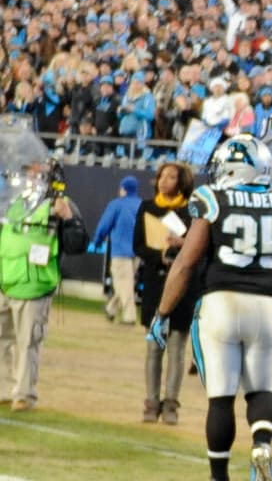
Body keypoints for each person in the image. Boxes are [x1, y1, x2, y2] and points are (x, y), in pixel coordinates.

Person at [148, 134, 272, 481]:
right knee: (261, 390)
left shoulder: (213, 198)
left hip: (222, 302)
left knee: (221, 398)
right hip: (268, 305)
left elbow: (187, 261)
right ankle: (262, 443)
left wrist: (163, 312)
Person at [0, 148, 87, 412]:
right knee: (2, 339)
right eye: (29, 171)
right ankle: (4, 388)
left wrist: (69, 219)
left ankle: (24, 393)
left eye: (39, 171)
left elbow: (77, 244)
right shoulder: (10, 204)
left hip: (35, 284)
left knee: (28, 342)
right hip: (6, 280)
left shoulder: (61, 204)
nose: (33, 176)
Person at [133, 160, 196, 424]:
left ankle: (171, 403)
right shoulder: (147, 208)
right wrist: (159, 255)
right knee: (154, 346)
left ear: (181, 182)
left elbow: (199, 248)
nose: (164, 181)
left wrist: (182, 246)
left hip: (182, 285)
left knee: (177, 348)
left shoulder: (191, 212)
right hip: (156, 284)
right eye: (162, 176)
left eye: (171, 177)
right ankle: (151, 401)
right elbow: (138, 245)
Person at [92, 175, 142, 325]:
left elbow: (105, 224)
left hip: (120, 251)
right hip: (137, 253)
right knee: (126, 284)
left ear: (124, 189)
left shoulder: (117, 205)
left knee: (123, 284)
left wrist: (98, 240)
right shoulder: (141, 204)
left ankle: (129, 317)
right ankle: (111, 309)